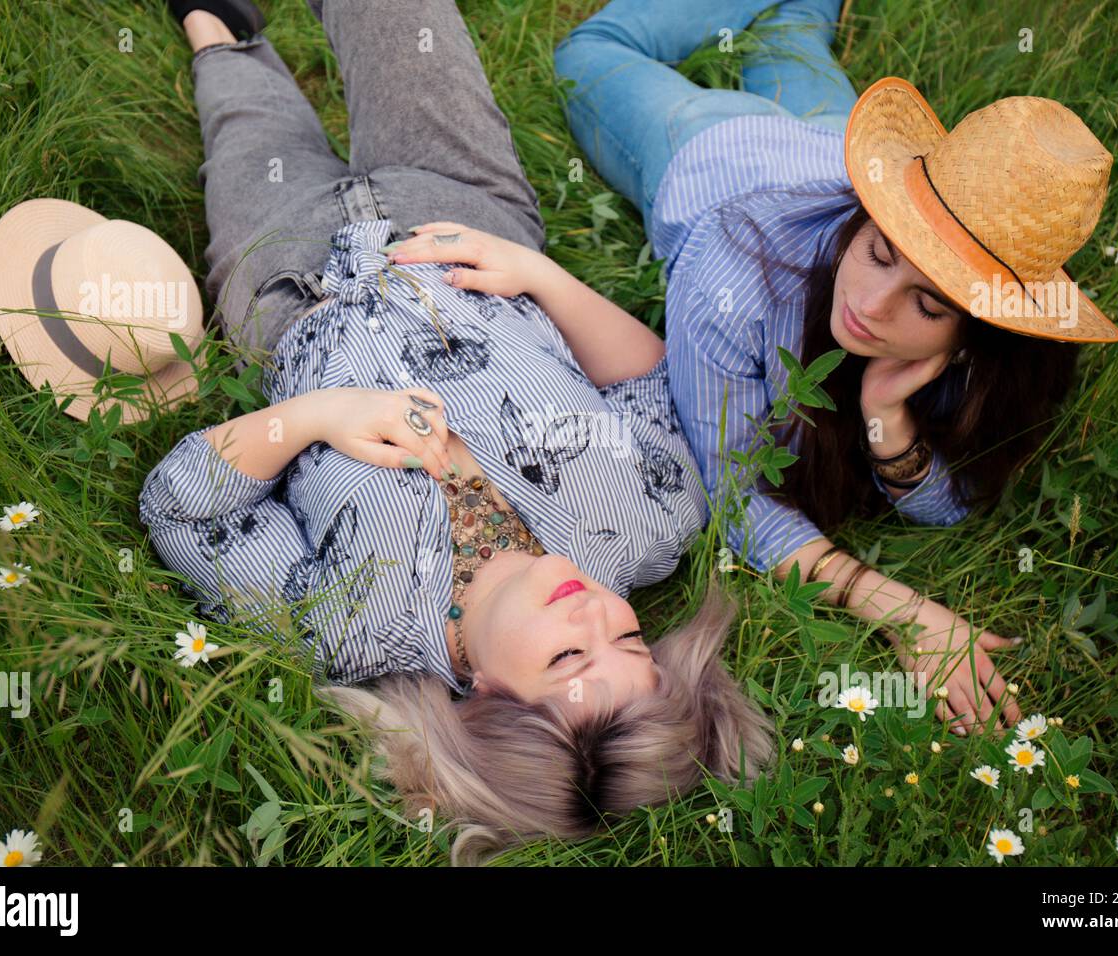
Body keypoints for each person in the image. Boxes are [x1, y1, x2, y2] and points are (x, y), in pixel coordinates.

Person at [140, 0, 775, 864]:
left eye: (567, 658)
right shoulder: (648, 524)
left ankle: (218, 30)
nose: (594, 613)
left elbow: (186, 510)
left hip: (286, 287)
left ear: (483, 702)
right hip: (461, 213)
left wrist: (318, 417)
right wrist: (540, 277)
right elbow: (647, 379)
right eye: (629, 639)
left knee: (246, 119)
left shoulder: (351, 627)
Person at [544, 0, 1118, 737]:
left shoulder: (986, 347)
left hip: (840, 148)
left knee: (792, 32)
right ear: (869, 215)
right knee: (589, 52)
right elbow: (734, 495)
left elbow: (956, 497)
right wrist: (898, 606)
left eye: (927, 303)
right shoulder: (732, 274)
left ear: (981, 333)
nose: (871, 307)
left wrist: (890, 422)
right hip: (715, 147)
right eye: (880, 252)